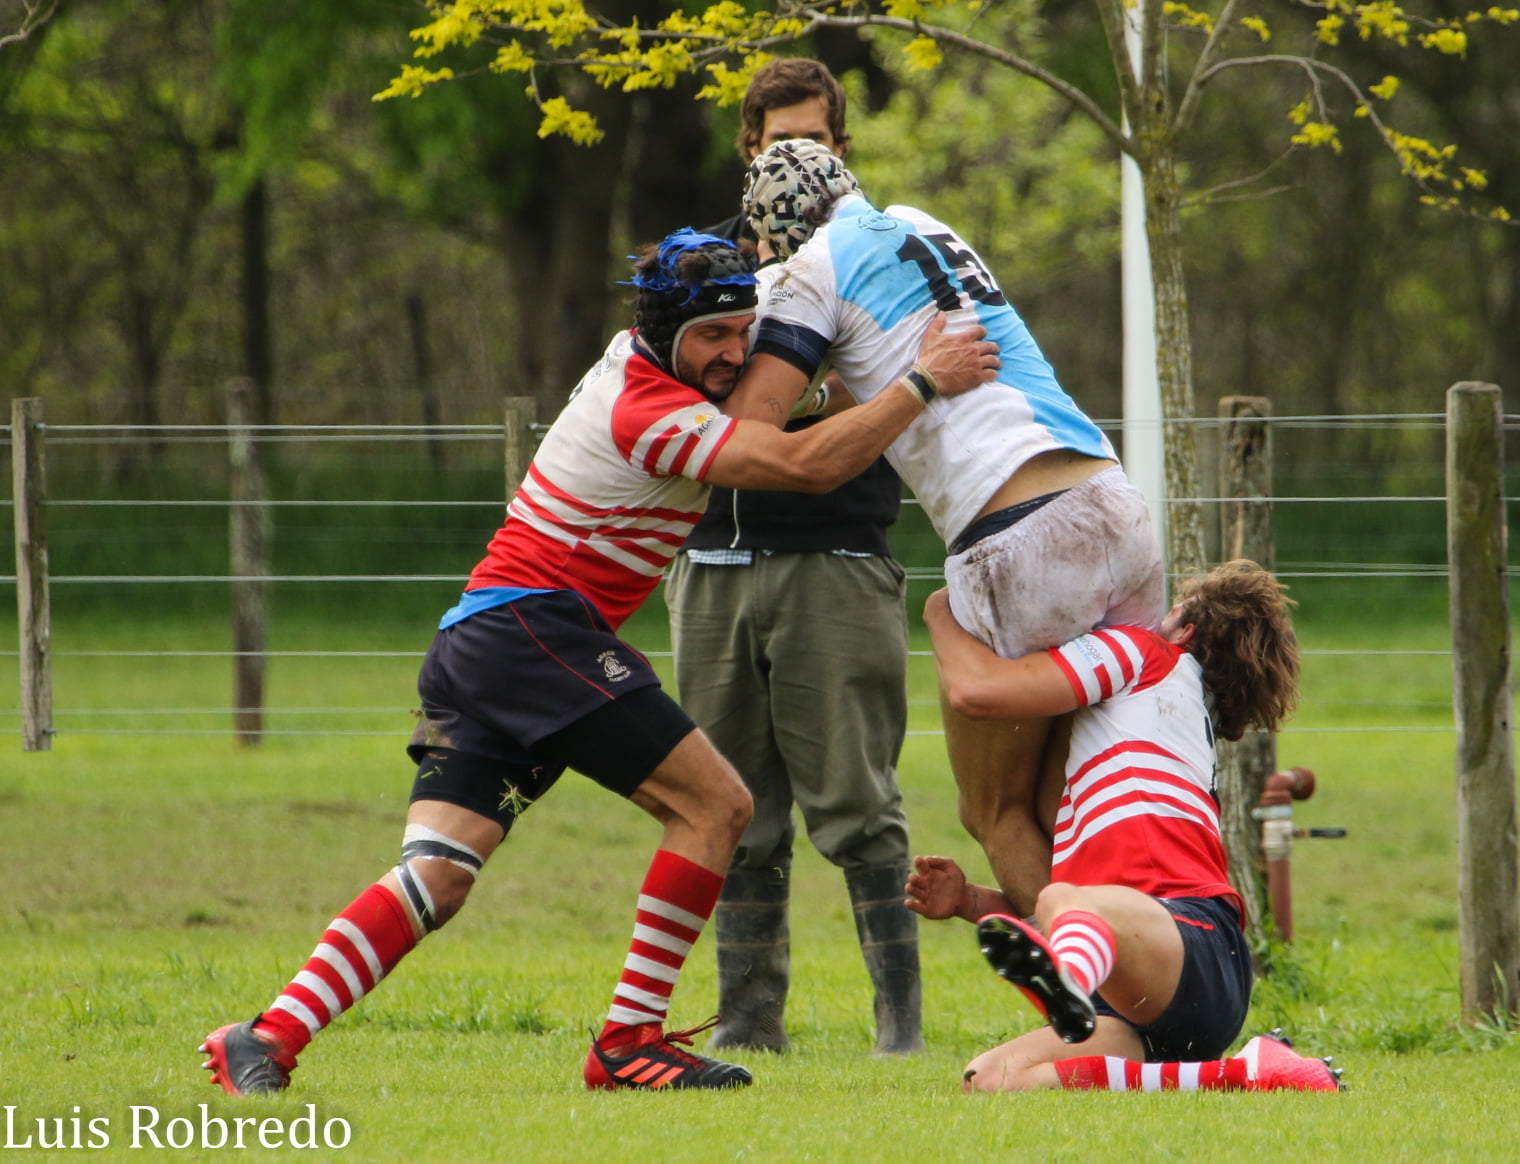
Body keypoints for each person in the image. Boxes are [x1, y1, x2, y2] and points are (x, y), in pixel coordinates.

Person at [197, 230, 998, 1096]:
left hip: (478, 643)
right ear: (666, 335)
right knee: (719, 806)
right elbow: (804, 465)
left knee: (440, 874)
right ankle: (628, 1040)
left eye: (744, 331)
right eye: (713, 339)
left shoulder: (644, 360)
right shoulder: (648, 413)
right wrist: (921, 381)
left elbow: (774, 403)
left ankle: (263, 1039)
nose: (735, 354)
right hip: (535, 632)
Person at [738, 140, 1166, 918]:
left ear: (780, 229)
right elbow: (875, 363)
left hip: (1017, 537)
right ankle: (1163, 973)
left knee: (996, 815)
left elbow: (753, 422)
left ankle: (1108, 1008)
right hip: (1114, 502)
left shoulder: (807, 269)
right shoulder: (917, 221)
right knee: (1092, 799)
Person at [666, 59, 922, 1057]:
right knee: (733, 811)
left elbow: (895, 385)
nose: (796, 162)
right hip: (712, 571)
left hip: (838, 558)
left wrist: (776, 408)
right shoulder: (706, 270)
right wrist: (807, 406)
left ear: (844, 149)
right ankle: (746, 1021)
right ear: (748, 150)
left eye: (814, 143)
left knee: (859, 805)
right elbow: (678, 400)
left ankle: (897, 1025)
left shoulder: (883, 257)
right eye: (779, 146)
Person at [904, 561, 1341, 1094]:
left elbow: (979, 693)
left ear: (1187, 630)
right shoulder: (1161, 730)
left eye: (1171, 609)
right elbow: (1086, 921)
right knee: (987, 1080)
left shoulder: (1145, 653)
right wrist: (971, 901)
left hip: (1193, 942)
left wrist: (937, 613)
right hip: (1144, 1001)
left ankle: (1069, 981)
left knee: (1068, 898)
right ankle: (1238, 1073)